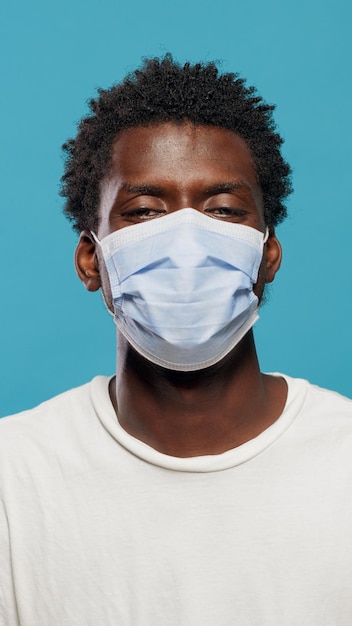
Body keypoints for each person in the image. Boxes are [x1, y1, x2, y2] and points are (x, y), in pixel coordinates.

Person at [0, 55, 351, 626]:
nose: (186, 238)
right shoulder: (13, 478)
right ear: (92, 260)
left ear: (266, 255)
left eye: (223, 209)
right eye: (144, 211)